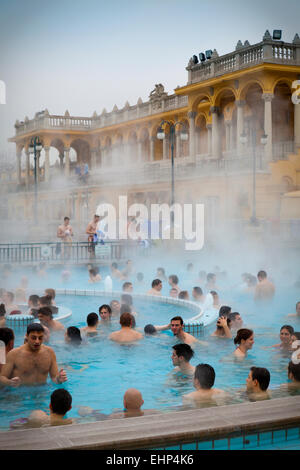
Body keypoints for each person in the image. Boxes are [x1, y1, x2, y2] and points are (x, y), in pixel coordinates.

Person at [0, 323, 67, 387]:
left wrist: (58, 379)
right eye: (33, 338)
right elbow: (2, 377)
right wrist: (10, 382)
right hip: (21, 395)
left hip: (42, 394)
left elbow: (54, 378)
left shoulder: (49, 352)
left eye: (40, 338)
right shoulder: (14, 354)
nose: (37, 341)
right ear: (26, 336)